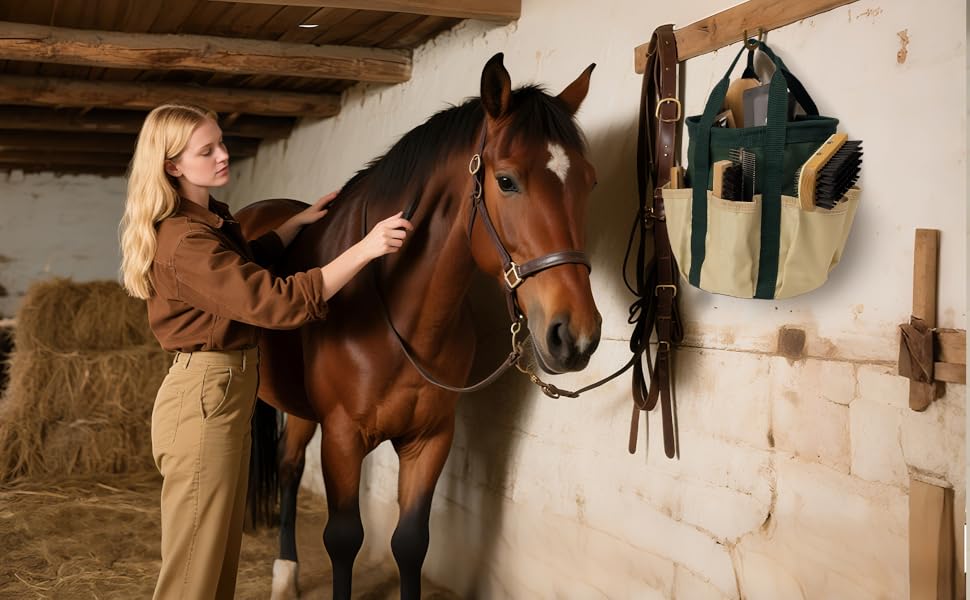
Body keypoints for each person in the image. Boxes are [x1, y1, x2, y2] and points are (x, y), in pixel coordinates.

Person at [118, 104, 412, 600]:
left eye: (221, 143)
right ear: (172, 166)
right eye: (206, 150)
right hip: (203, 400)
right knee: (192, 575)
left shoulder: (207, 222)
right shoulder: (184, 239)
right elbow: (274, 302)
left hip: (221, 394)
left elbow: (242, 267)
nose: (222, 155)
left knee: (217, 563)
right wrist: (363, 250)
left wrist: (293, 227)